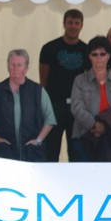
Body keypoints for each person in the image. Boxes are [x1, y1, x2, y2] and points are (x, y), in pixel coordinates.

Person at [0, 49, 55, 161]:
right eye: (12, 64)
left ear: (26, 68)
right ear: (7, 67)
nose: (15, 68)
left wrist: (38, 140)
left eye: (19, 65)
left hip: (32, 153)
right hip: (3, 152)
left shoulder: (38, 91)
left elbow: (50, 119)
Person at [69, 36, 111, 162]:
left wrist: (105, 127)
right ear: (89, 56)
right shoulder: (79, 80)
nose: (98, 58)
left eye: (102, 54)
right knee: (84, 179)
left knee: (110, 179)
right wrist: (94, 124)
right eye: (94, 54)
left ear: (109, 56)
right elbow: (76, 107)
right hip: (83, 135)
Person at [39, 9, 89, 162]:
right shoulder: (49, 48)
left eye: (76, 23)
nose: (73, 26)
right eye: (70, 23)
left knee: (76, 151)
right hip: (55, 106)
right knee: (51, 150)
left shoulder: (87, 50)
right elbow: (43, 80)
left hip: (78, 108)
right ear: (64, 24)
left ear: (81, 26)